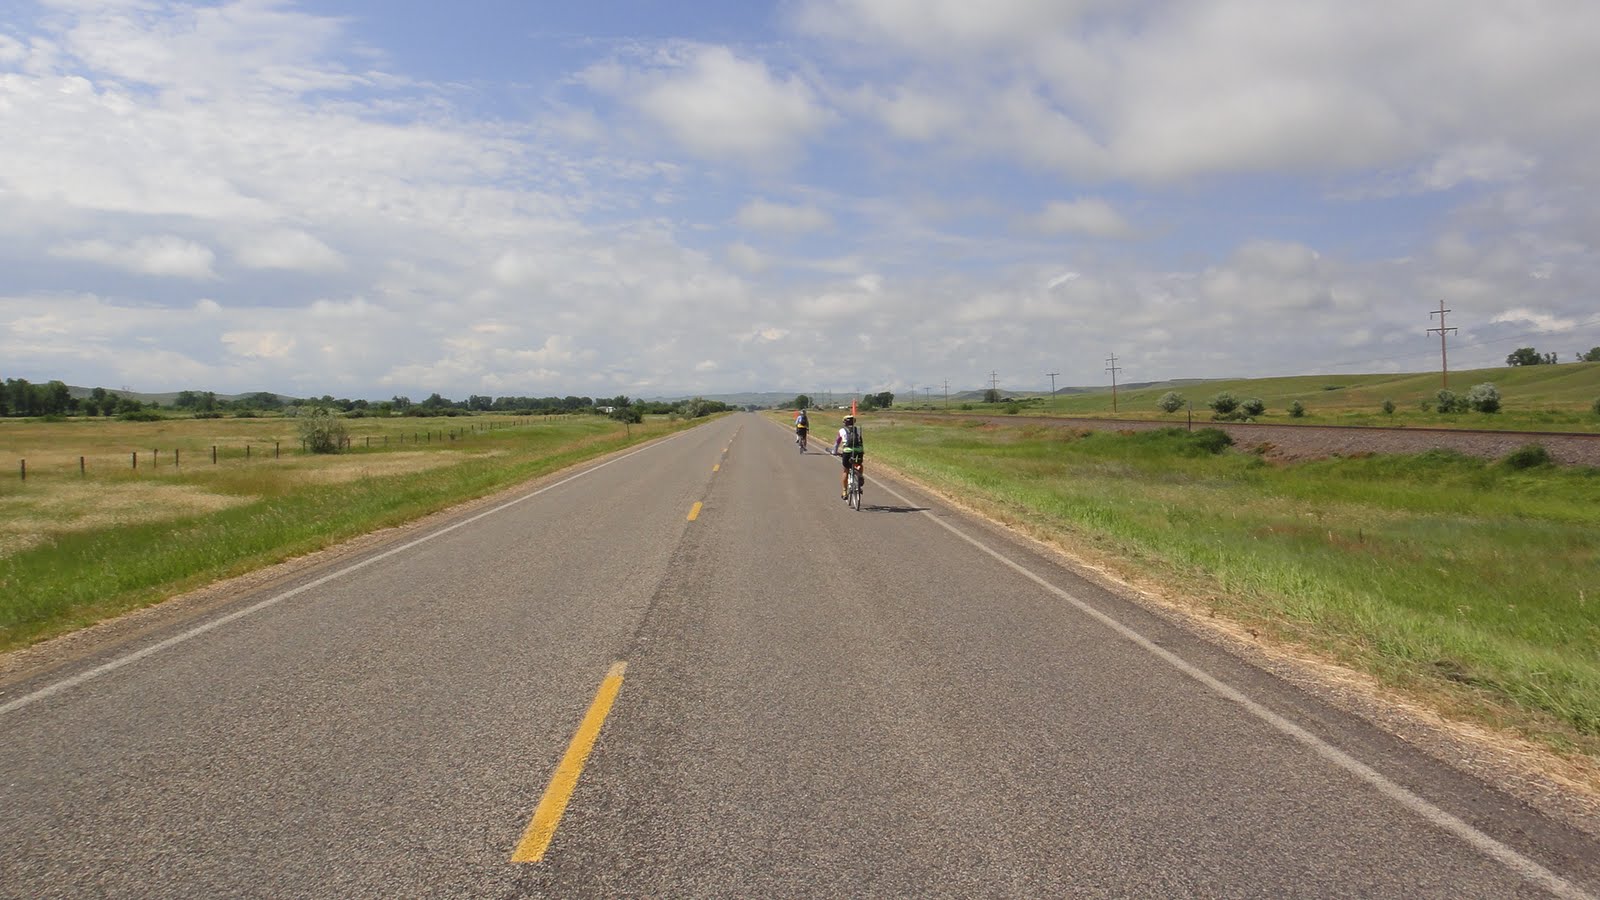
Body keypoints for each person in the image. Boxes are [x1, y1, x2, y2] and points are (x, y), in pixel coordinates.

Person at [833, 414, 863, 500]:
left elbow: (837, 443)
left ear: (844, 422)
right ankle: (860, 476)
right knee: (859, 464)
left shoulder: (841, 431)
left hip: (847, 452)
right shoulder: (858, 430)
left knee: (846, 470)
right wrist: (861, 451)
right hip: (858, 451)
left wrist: (834, 452)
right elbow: (861, 441)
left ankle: (844, 491)